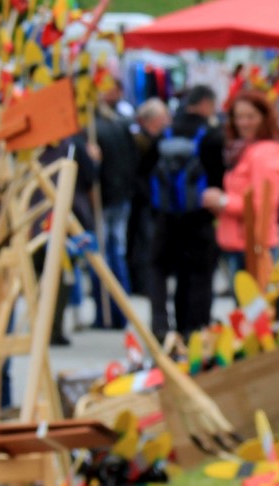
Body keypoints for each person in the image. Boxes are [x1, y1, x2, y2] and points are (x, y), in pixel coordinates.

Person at [147, 85, 225, 341]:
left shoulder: (164, 133)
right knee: (198, 274)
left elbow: (145, 172)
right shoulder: (212, 135)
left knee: (161, 266)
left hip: (166, 216)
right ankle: (194, 328)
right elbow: (218, 177)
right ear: (205, 103)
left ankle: (161, 323)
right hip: (200, 217)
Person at [206, 90, 279, 275]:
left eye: (250, 116)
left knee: (255, 303)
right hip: (236, 242)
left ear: (264, 117)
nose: (244, 123)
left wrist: (223, 201)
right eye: (239, 117)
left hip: (254, 245)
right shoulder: (243, 149)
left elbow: (264, 204)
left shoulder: (267, 152)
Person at [90, 80, 140, 330]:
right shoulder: (120, 124)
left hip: (108, 198)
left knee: (103, 256)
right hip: (119, 197)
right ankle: (119, 310)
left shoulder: (99, 128)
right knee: (114, 253)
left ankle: (109, 313)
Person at [130, 98, 171, 337]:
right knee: (149, 251)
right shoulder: (146, 142)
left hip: (149, 204)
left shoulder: (151, 140)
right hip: (148, 204)